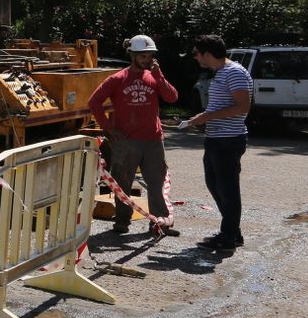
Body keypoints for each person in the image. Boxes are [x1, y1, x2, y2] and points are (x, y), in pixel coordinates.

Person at [88, 34, 179, 236]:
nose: (148, 60)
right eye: (143, 56)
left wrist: (159, 75)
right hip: (126, 142)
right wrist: (109, 129)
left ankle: (160, 224)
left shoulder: (154, 77)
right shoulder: (117, 79)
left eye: (150, 55)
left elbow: (172, 97)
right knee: (123, 184)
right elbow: (94, 103)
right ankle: (121, 223)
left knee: (157, 183)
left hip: (154, 140)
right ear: (132, 55)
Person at [181, 35, 253, 253]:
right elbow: (221, 107)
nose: (195, 58)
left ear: (207, 54)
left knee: (228, 189)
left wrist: (206, 118)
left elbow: (243, 107)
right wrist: (199, 118)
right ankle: (232, 232)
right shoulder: (221, 73)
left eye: (196, 53)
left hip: (228, 140)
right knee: (215, 186)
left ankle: (228, 237)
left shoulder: (234, 72)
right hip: (216, 139)